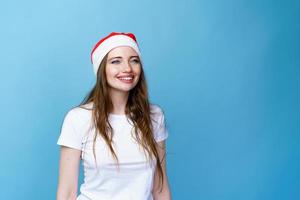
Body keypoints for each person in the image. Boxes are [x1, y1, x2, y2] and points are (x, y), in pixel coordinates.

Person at [56, 32, 172, 200]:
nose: (127, 68)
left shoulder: (154, 116)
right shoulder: (78, 118)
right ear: (101, 69)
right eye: (116, 61)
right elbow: (66, 193)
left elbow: (160, 188)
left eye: (134, 60)